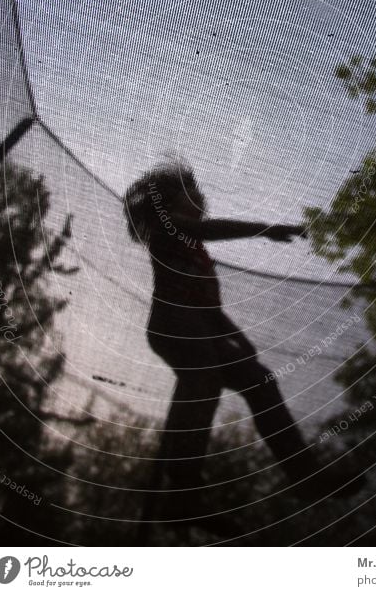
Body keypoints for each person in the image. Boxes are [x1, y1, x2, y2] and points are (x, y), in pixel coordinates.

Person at [124, 161, 363, 527]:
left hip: (203, 327)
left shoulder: (197, 250)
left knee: (259, 380)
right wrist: (265, 229)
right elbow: (212, 229)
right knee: (201, 379)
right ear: (169, 204)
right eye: (192, 191)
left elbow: (211, 310)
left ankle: (305, 476)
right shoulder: (167, 230)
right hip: (175, 325)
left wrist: (241, 342)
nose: (201, 196)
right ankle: (182, 493)